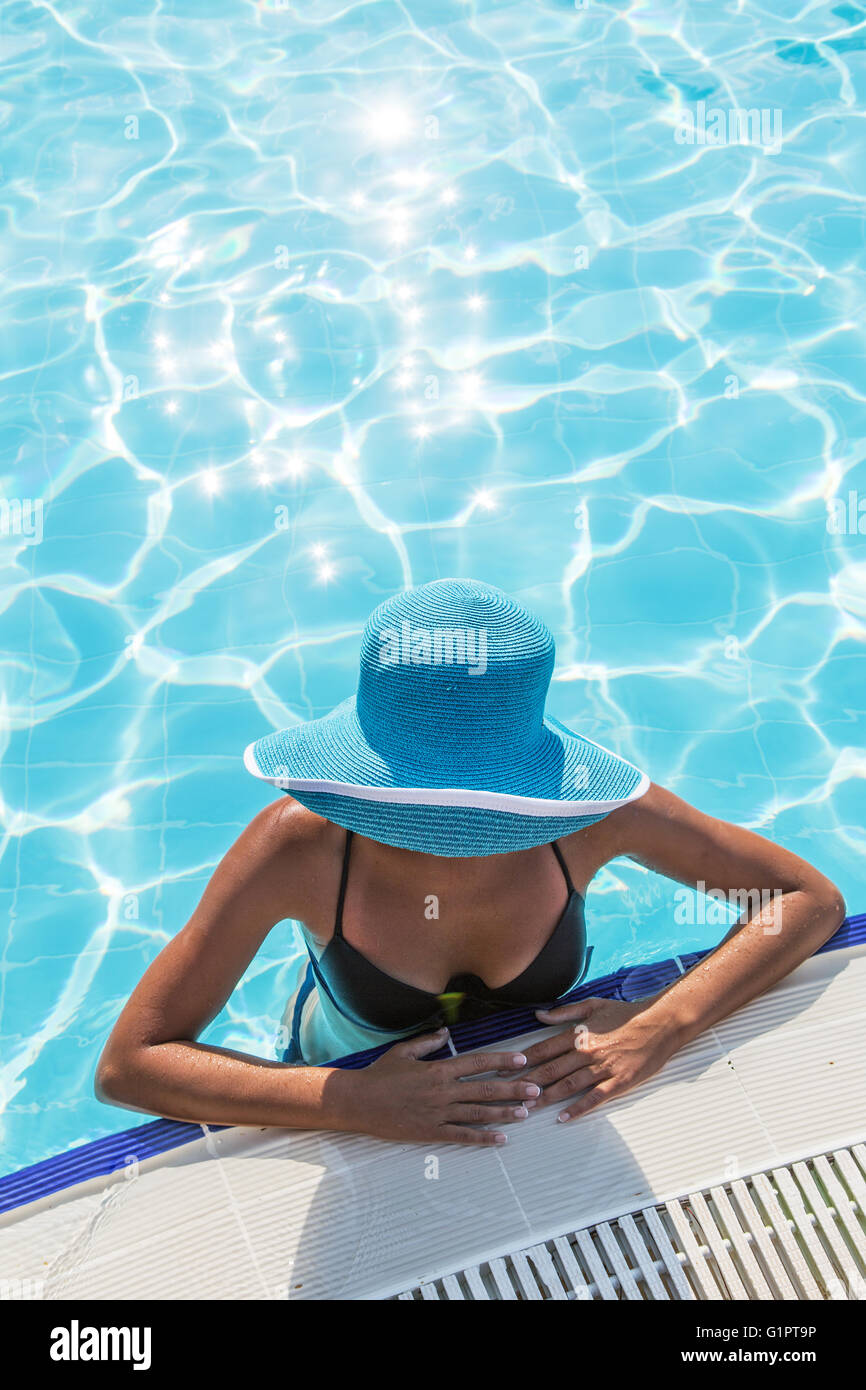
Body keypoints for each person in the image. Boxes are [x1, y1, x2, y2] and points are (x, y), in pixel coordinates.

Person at [96, 579, 845, 1147]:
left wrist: (665, 1021)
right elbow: (133, 1063)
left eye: (469, 813)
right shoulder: (302, 847)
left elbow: (804, 898)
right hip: (343, 1073)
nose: (447, 834)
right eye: (421, 811)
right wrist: (353, 1102)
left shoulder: (591, 818)